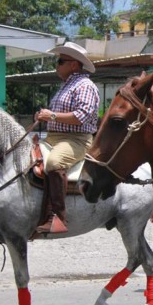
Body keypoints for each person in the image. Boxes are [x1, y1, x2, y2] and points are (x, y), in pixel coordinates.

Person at [35, 42, 100, 234]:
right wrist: (44, 116)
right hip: (54, 137)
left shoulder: (85, 85)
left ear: (74, 64)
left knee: (54, 163)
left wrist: (52, 116)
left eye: (60, 61)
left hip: (76, 139)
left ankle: (58, 217)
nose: (57, 65)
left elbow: (82, 116)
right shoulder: (66, 86)